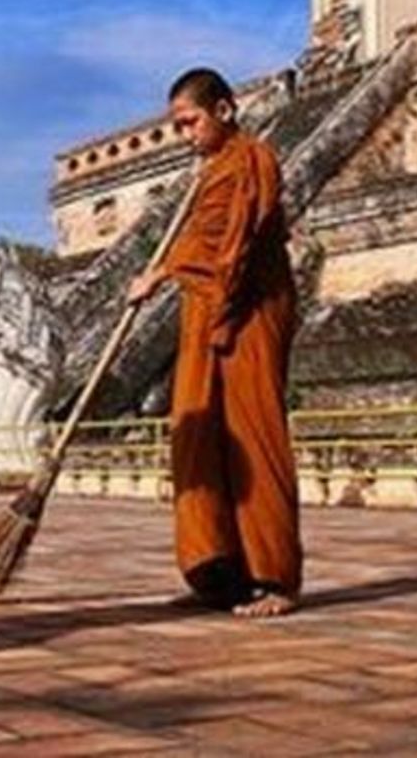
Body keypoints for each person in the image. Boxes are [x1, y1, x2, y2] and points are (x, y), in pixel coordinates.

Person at [127, 69, 303, 618]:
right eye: (179, 127)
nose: (186, 136)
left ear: (224, 110)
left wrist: (162, 272)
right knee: (197, 431)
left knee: (255, 434)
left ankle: (275, 579)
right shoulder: (208, 173)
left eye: (190, 122)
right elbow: (202, 237)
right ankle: (217, 570)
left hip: (249, 308)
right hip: (203, 312)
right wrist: (171, 265)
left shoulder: (254, 160)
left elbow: (237, 241)